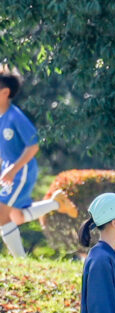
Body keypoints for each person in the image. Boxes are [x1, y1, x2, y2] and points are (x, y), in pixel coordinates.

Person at [0, 65, 77, 257]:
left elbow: (33, 146)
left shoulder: (15, 117)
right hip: (9, 170)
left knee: (2, 215)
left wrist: (13, 170)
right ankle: (56, 203)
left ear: (5, 92)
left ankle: (21, 262)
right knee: (15, 217)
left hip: (21, 171)